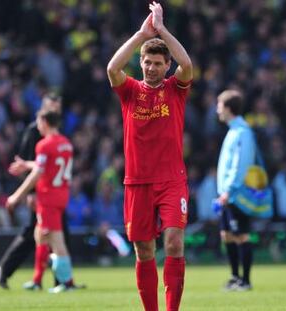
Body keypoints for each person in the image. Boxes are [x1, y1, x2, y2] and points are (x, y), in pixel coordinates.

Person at [107, 2, 193, 311]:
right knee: (144, 250)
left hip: (172, 180)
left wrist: (163, 31)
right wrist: (141, 35)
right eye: (147, 62)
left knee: (173, 243)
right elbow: (112, 68)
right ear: (141, 63)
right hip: (137, 182)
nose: (152, 67)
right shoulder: (129, 90)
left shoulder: (175, 89)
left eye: (158, 63)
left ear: (166, 66)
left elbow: (188, 64)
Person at [0, 93, 64, 290]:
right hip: (40, 191)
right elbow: (24, 163)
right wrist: (30, 193)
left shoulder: (56, 129)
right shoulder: (34, 131)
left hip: (53, 190)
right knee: (37, 234)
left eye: (58, 107)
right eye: (52, 107)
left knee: (45, 233)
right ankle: (6, 269)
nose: (55, 111)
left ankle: (52, 280)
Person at [5, 108, 78, 293]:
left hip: (48, 198)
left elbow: (38, 173)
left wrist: (16, 196)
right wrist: (27, 164)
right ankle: (37, 280)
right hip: (61, 195)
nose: (37, 126)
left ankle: (67, 283)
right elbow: (50, 165)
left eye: (38, 122)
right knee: (41, 235)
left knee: (56, 241)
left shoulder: (44, 145)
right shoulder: (66, 144)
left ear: (45, 122)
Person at [216, 89, 256, 291]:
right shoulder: (234, 130)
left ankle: (246, 281)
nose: (217, 110)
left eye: (220, 106)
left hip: (236, 194)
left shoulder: (242, 132)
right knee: (227, 235)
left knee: (241, 235)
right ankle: (234, 277)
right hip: (228, 195)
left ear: (229, 108)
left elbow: (242, 164)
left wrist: (229, 190)